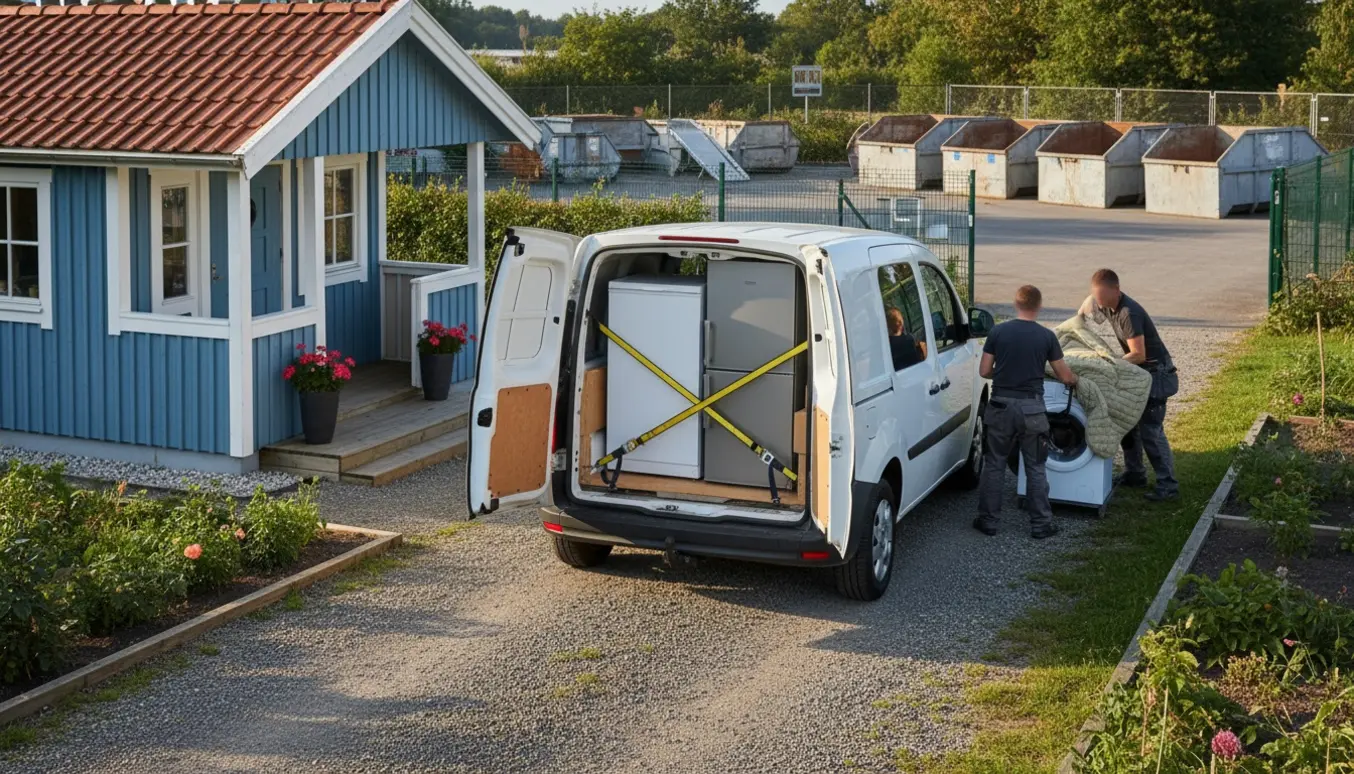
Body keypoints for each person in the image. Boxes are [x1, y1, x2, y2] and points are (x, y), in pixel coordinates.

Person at [975, 285, 1079, 539]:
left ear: (1016, 304)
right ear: (1039, 306)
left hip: (1000, 406)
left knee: (995, 464)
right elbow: (1064, 374)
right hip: (1032, 410)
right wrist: (1074, 379)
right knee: (1035, 466)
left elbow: (984, 370)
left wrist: (1001, 374)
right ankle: (1041, 525)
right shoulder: (1046, 337)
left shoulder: (998, 332)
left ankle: (988, 521)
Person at [1077, 269, 1179, 502]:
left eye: (1103, 298)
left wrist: (1108, 363)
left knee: (1150, 431)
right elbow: (1087, 311)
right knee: (1127, 422)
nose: (1100, 304)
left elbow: (1138, 354)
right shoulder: (1108, 304)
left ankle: (1168, 486)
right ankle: (1135, 474)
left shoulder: (1128, 313)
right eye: (1097, 298)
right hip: (1140, 374)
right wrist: (1085, 306)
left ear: (1117, 290)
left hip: (1156, 375)